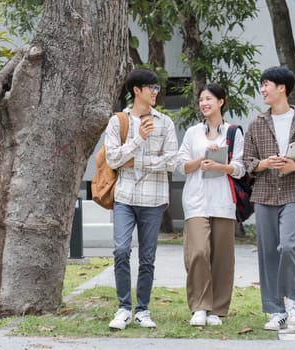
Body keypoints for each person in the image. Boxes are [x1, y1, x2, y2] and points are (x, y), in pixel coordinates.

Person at [243, 66, 295, 331]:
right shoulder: (257, 123)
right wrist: (264, 163)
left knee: (289, 245)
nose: (262, 89)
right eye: (262, 84)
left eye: (266, 84)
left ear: (282, 88)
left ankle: (292, 305)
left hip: (294, 191)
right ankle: (275, 310)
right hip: (265, 192)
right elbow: (247, 162)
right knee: (268, 252)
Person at [105, 68, 178, 330]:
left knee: (147, 258)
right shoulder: (118, 121)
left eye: (157, 88)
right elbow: (113, 159)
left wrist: (137, 161)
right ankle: (124, 308)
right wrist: (139, 139)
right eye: (152, 88)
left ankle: (142, 310)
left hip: (154, 199)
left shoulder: (165, 122)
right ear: (137, 90)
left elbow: (172, 162)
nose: (155, 92)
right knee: (121, 250)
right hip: (124, 196)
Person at [176, 83, 246, 327]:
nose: (204, 104)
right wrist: (203, 157)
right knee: (198, 252)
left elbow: (240, 168)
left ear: (221, 101)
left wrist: (219, 165)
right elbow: (181, 165)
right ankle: (199, 306)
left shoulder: (234, 132)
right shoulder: (192, 132)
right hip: (195, 200)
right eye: (201, 100)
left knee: (222, 258)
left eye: (209, 99)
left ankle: (217, 309)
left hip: (224, 201)